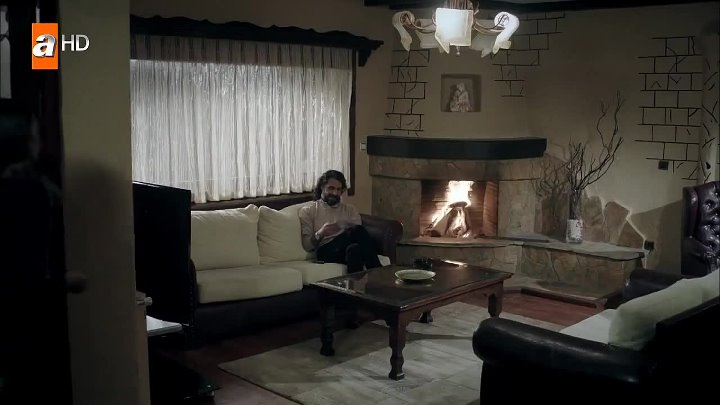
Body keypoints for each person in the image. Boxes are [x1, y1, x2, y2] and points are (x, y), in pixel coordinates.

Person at [299, 170, 382, 273]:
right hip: (325, 251)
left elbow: (361, 239)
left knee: (354, 249)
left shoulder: (350, 209)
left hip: (345, 249)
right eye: (331, 188)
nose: (335, 193)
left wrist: (344, 227)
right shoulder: (308, 211)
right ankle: (378, 272)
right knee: (356, 230)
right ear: (322, 187)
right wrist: (321, 232)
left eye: (338, 189)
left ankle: (354, 283)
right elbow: (307, 245)